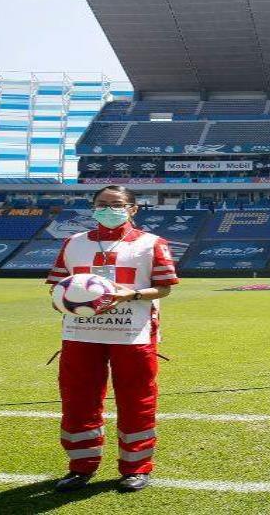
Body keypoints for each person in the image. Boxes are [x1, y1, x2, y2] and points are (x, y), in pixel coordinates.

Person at [45, 185, 179, 493]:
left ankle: (136, 468)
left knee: (137, 400)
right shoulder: (73, 243)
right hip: (81, 333)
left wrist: (129, 294)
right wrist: (65, 300)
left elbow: (164, 288)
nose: (108, 209)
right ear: (93, 207)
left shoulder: (152, 244)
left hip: (132, 333)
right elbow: (56, 287)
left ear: (133, 209)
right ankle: (80, 467)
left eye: (116, 204)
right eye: (102, 203)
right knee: (78, 399)